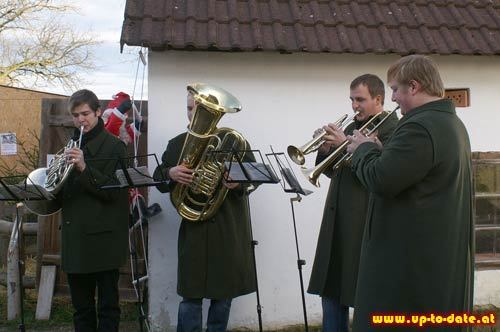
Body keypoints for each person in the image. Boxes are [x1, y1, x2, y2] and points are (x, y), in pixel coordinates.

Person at [347, 55, 474, 331]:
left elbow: (381, 180)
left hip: (410, 272)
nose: (392, 98)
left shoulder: (419, 126)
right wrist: (382, 152)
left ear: (413, 87)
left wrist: (362, 149)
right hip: (430, 263)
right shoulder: (451, 124)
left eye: (394, 89)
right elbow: (412, 175)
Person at [153, 86, 256, 332]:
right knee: (191, 296)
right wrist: (170, 173)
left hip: (228, 227)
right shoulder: (177, 144)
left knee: (223, 297)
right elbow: (158, 178)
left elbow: (253, 175)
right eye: (190, 109)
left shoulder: (233, 142)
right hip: (195, 229)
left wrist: (238, 182)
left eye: (199, 110)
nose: (193, 114)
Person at [307, 74, 398, 331]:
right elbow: (333, 170)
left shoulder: (392, 127)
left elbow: (384, 171)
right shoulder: (350, 128)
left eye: (360, 99)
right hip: (337, 219)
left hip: (363, 219)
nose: (354, 106)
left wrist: (346, 144)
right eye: (352, 99)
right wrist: (324, 150)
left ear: (378, 99)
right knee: (332, 288)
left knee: (363, 292)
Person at [57, 89, 129, 332]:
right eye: (76, 115)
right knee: (81, 309)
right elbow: (63, 189)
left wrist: (84, 167)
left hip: (103, 240)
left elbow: (113, 192)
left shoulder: (115, 147)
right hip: (75, 238)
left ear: (98, 112)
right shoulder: (71, 143)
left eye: (86, 113)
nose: (81, 120)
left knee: (108, 308)